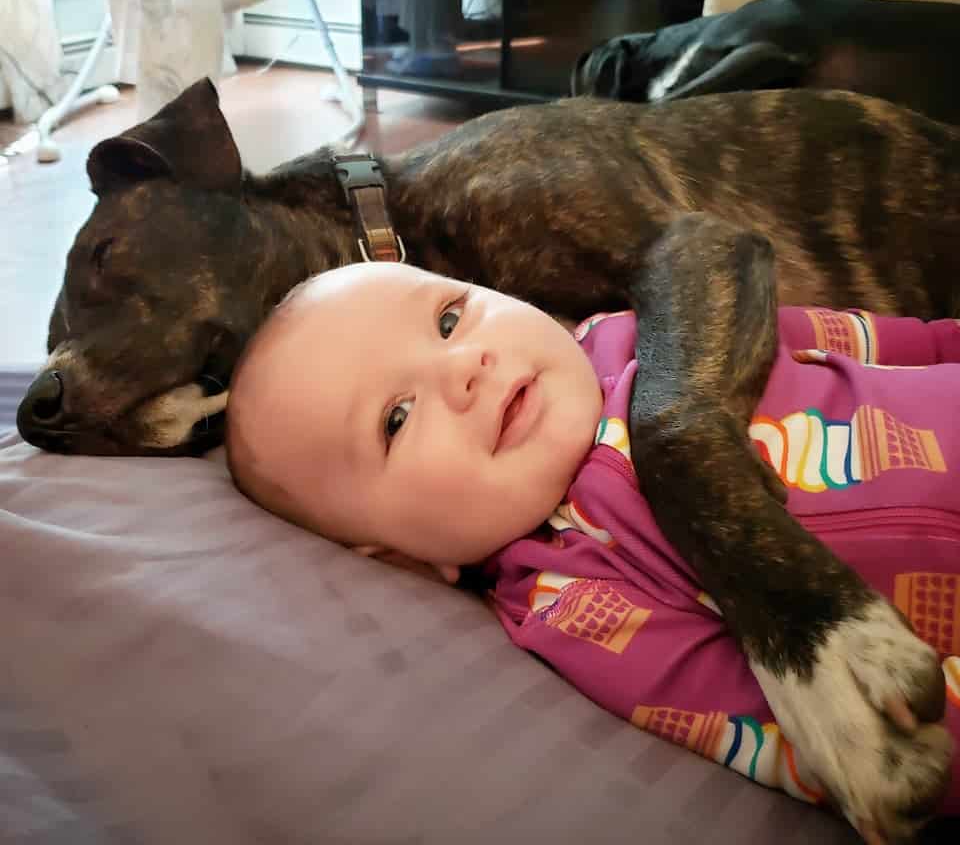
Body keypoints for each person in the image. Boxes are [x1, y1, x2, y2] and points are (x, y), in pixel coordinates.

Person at [225, 260, 960, 818]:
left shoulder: (643, 330)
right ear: (401, 558)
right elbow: (799, 733)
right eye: (395, 418)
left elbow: (872, 340)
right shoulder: (572, 603)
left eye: (450, 319)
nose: (464, 368)